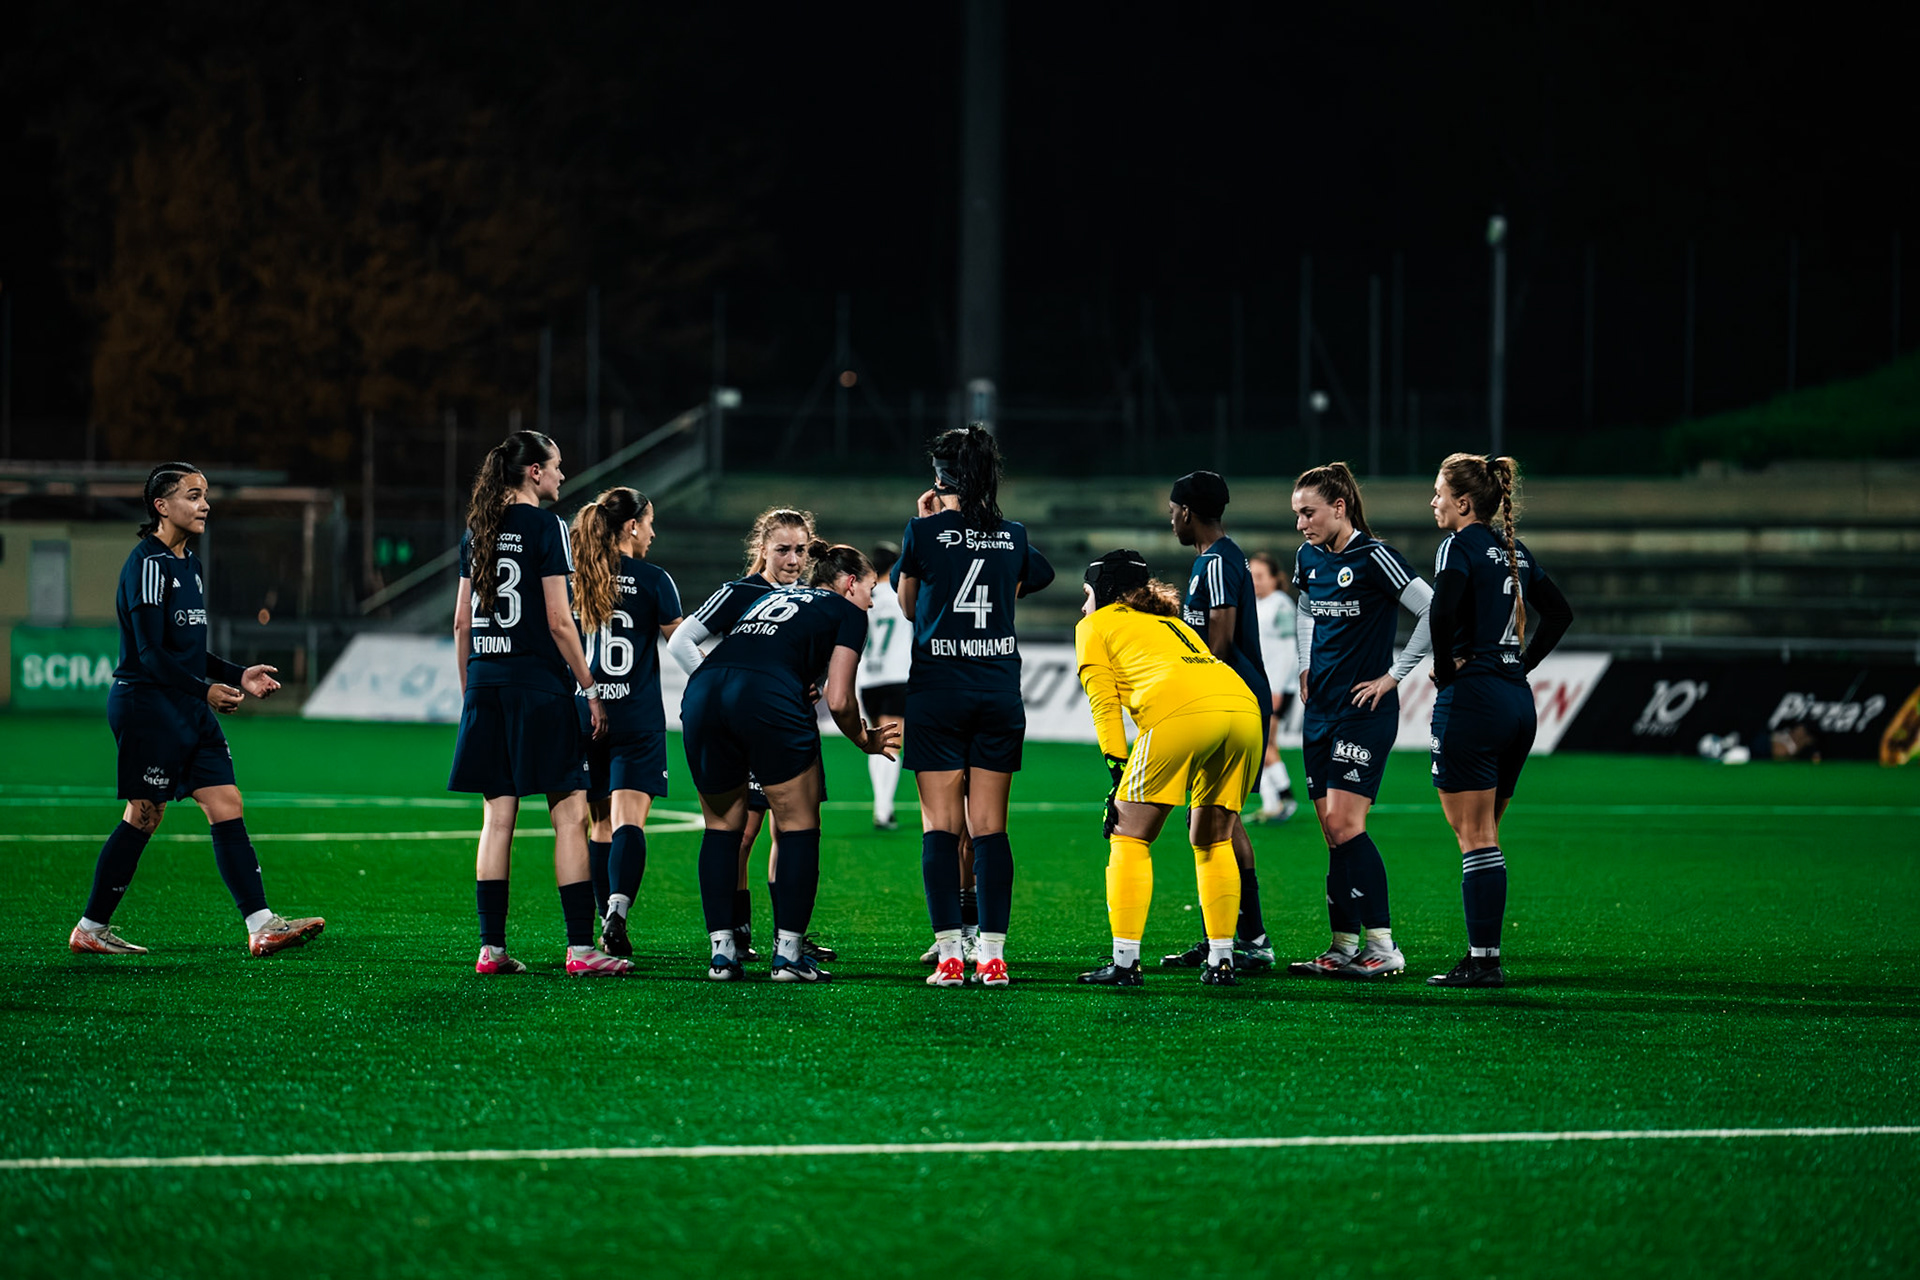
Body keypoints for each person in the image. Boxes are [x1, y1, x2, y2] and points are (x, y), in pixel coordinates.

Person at [68, 463, 326, 958]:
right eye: (192, 495)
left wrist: (236, 675)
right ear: (162, 507)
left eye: (205, 495)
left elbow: (188, 652)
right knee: (144, 815)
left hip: (186, 704)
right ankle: (90, 928)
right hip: (147, 706)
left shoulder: (192, 566)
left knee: (226, 802)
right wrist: (205, 691)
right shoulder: (147, 564)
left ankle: (262, 925)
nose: (204, 504)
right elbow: (149, 654)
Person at [449, 430, 628, 976]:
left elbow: (460, 624)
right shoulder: (547, 526)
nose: (560, 476)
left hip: (485, 682)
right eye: (555, 467)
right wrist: (590, 688)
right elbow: (558, 620)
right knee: (570, 812)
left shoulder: (477, 529)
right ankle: (580, 949)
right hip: (539, 688)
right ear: (533, 473)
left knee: (497, 818)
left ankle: (491, 949)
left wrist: (472, 694)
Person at [680, 541, 900, 982]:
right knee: (799, 826)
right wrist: (864, 740)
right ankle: (789, 955)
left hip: (703, 692)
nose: (872, 601)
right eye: (870, 589)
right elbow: (839, 700)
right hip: (765, 700)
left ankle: (722, 953)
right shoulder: (848, 613)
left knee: (722, 829)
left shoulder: (771, 595)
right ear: (850, 583)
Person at [895, 425, 1055, 988]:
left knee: (940, 828)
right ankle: (992, 956)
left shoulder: (923, 530)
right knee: (990, 830)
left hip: (938, 689)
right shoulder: (1013, 536)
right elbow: (1034, 574)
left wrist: (930, 521)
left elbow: (911, 607)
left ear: (939, 478)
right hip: (996, 690)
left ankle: (947, 957)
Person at [1073, 552, 1265, 988]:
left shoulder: (1095, 626)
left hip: (1180, 715)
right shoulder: (1175, 623)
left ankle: (1125, 963)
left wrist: (1117, 769)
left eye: (1087, 595)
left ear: (1104, 592)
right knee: (1213, 839)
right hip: (1242, 710)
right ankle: (1221, 960)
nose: (1083, 606)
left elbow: (1104, 705)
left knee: (1128, 835)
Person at [1425, 453, 1573, 988]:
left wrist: (1444, 671)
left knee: (1476, 837)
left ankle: (1485, 960)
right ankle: (1481, 953)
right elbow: (1560, 613)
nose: (1434, 501)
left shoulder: (1458, 544)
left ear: (1464, 503)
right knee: (1486, 834)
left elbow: (1441, 613)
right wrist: (1521, 663)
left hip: (1475, 702)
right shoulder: (1515, 550)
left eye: (1440, 493)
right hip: (1516, 701)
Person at [668, 507, 836, 965]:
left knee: (789, 830)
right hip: (746, 725)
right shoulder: (739, 592)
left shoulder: (807, 597)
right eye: (782, 549)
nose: (793, 559)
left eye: (801, 549)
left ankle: (789, 937)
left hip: (786, 722)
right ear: (762, 550)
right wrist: (725, 683)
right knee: (743, 833)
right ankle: (738, 934)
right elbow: (681, 640)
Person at [1286, 461, 1433, 981]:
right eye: (1298, 515)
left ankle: (1384, 945)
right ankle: (1343, 944)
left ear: (1340, 507)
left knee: (1347, 824)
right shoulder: (1308, 557)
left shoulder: (1377, 557)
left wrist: (1394, 675)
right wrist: (1305, 663)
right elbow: (1305, 608)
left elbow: (1432, 610)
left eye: (1309, 513)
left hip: (1363, 712)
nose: (1301, 524)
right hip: (1320, 709)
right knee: (1331, 831)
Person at [1161, 471, 1277, 971]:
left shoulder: (1214, 563)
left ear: (1187, 511)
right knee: (1213, 820)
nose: (1170, 519)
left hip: (1230, 700)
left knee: (1214, 820)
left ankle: (1247, 941)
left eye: (1173, 510)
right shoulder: (1224, 558)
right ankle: (1229, 937)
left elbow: (1219, 645)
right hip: (1235, 699)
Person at [569, 487, 684, 959]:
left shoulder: (576, 577)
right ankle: (617, 911)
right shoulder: (655, 579)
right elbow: (684, 644)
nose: (654, 532)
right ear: (632, 525)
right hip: (635, 715)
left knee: (598, 824)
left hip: (583, 711)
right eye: (649, 522)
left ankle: (601, 927)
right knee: (628, 821)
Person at [858, 541, 911, 832]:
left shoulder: (865, 598)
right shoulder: (899, 597)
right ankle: (883, 809)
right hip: (895, 676)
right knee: (892, 743)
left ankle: (882, 805)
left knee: (876, 743)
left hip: (868, 679)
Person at [1249, 551, 1301, 824]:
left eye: (1260, 576)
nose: (1254, 582)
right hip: (1262, 685)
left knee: (1265, 743)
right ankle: (1272, 803)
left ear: (1274, 579)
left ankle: (1284, 798)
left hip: (1277, 686)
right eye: (1251, 577)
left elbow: (1287, 650)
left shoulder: (1280, 605)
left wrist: (1278, 688)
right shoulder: (1255, 604)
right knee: (1259, 744)